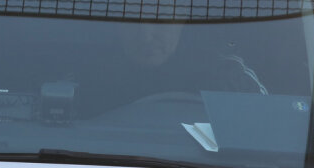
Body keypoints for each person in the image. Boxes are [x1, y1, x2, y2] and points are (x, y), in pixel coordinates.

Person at [79, 20, 267, 116]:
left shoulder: (226, 74)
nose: (145, 36)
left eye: (159, 21)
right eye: (133, 22)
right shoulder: (85, 77)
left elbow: (265, 129)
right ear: (117, 25)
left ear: (181, 19)